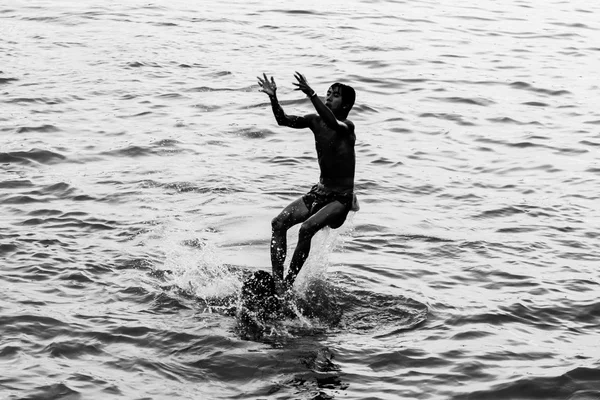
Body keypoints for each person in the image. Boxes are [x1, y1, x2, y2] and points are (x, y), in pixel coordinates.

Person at [257, 71, 359, 292]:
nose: (328, 97)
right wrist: (273, 98)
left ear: (346, 105)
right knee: (278, 223)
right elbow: (282, 120)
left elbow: (333, 124)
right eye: (327, 94)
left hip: (340, 199)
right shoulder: (314, 121)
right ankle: (277, 283)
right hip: (319, 193)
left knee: (306, 229)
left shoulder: (346, 127)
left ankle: (288, 284)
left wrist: (311, 93)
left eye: (335, 95)